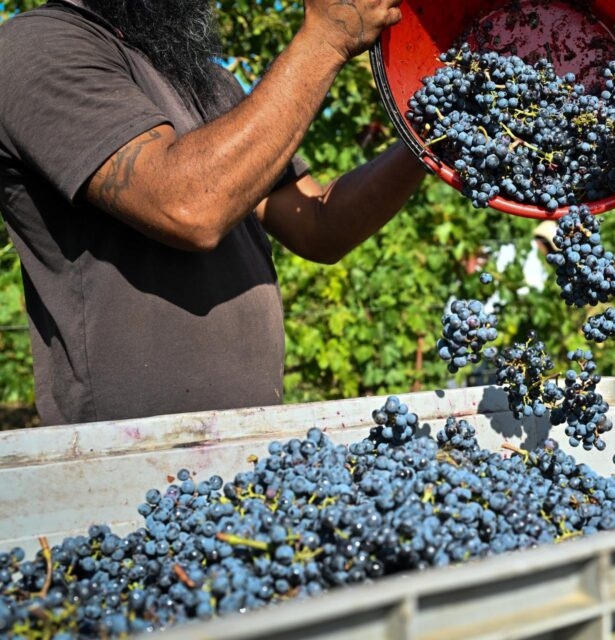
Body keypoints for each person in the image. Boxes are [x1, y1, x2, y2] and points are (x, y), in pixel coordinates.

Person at [0, 0, 427, 426]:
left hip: (248, 441)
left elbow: (318, 225)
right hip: (127, 453)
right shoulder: (38, 46)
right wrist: (326, 40)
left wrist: (430, 139)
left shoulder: (204, 81)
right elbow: (188, 206)